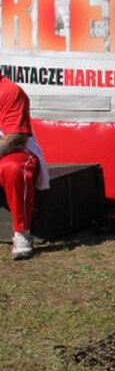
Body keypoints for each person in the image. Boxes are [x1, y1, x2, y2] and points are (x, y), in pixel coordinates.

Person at [0, 71, 50, 260]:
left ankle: (22, 233)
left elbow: (16, 140)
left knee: (13, 169)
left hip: (13, 152)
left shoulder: (10, 91)